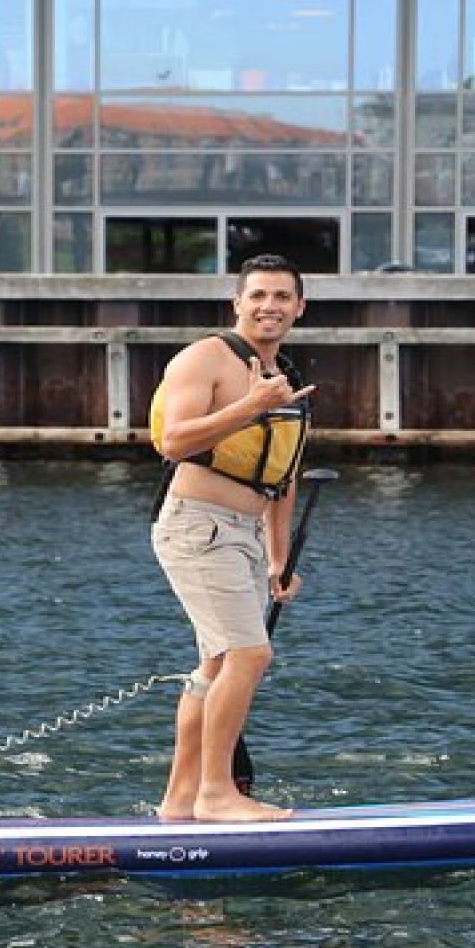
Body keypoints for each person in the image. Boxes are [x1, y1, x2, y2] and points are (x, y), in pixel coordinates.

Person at [148, 254, 317, 823]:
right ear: (237, 303)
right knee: (250, 653)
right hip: (199, 524)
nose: (270, 306)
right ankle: (217, 794)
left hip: (246, 533)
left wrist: (278, 558)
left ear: (300, 306)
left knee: (218, 667)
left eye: (281, 297)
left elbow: (283, 474)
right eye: (259, 296)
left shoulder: (286, 376)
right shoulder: (205, 358)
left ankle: (179, 800)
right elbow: (173, 440)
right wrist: (253, 404)